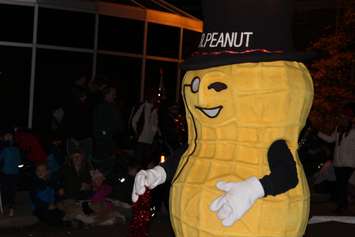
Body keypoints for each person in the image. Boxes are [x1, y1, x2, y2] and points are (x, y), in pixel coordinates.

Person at [317, 103, 355, 213]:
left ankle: (342, 206)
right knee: (340, 185)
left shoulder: (353, 131)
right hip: (338, 163)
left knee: (342, 185)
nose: (341, 119)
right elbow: (331, 140)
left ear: (348, 118)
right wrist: (318, 133)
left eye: (343, 117)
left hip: (349, 163)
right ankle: (343, 205)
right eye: (341, 117)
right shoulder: (339, 129)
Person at [93, 86, 124, 160]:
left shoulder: (113, 106)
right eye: (113, 94)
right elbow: (98, 125)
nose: (115, 96)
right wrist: (104, 134)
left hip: (112, 140)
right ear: (107, 94)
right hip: (104, 142)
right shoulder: (101, 107)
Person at [130, 90, 160, 168]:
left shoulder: (155, 109)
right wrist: (137, 133)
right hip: (141, 140)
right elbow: (133, 120)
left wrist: (155, 134)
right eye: (154, 96)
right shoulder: (143, 106)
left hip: (150, 141)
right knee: (138, 163)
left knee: (147, 163)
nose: (155, 98)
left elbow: (155, 124)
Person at [0, 130, 22, 217]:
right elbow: (19, 163)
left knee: (6, 190)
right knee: (11, 190)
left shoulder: (5, 149)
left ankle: (8, 207)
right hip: (14, 173)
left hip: (6, 173)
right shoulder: (16, 149)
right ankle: (11, 208)